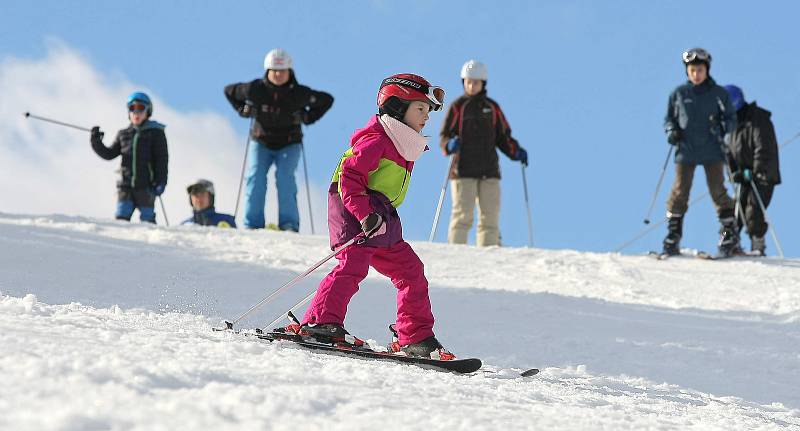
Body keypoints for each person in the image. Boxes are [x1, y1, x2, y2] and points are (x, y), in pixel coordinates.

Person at [285, 73, 454, 360]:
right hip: (354, 209)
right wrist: (364, 215)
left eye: (428, 111)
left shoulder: (403, 143)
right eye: (420, 109)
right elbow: (349, 177)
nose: (427, 117)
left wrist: (375, 215)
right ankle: (322, 323)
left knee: (411, 271)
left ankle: (414, 335)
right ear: (398, 107)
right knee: (353, 265)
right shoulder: (377, 139)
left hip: (381, 216)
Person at [224, 48, 333, 232]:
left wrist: (307, 117)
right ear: (267, 71)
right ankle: (252, 224)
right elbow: (229, 91)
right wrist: (243, 110)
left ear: (289, 71)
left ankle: (289, 225)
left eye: (282, 71)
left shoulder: (299, 93)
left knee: (286, 180)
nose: (278, 74)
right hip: (261, 141)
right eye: (274, 70)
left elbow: (327, 100)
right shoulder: (255, 89)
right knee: (255, 178)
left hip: (289, 144)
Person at [439, 60, 527, 246]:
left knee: (490, 217)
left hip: (489, 170)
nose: (471, 86)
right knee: (463, 215)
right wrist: (449, 145)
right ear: (463, 82)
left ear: (483, 83)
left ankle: (488, 257)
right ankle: (455, 253)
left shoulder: (492, 108)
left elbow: (503, 136)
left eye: (476, 82)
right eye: (468, 81)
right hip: (463, 171)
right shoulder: (458, 107)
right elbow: (444, 136)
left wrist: (516, 151)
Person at [661, 48, 741, 257]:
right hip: (686, 149)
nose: (696, 74)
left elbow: (731, 119)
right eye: (692, 70)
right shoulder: (679, 94)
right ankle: (673, 234)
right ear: (687, 71)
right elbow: (669, 118)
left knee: (717, 189)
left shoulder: (718, 94)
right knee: (680, 190)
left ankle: (728, 233)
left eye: (700, 70)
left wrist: (723, 130)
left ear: (707, 70)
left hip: (711, 148)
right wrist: (672, 131)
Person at [90, 92, 168, 224]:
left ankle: (151, 241)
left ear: (148, 111)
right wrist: (96, 141)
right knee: (121, 218)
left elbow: (162, 159)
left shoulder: (156, 133)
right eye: (132, 108)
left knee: (147, 219)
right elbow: (109, 154)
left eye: (140, 108)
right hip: (126, 186)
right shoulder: (124, 134)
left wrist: (161, 181)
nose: (136, 112)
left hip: (146, 186)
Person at [723, 85, 781, 256]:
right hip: (744, 176)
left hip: (763, 175)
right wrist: (733, 173)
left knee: (753, 209)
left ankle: (758, 245)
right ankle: (725, 244)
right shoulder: (732, 124)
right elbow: (729, 152)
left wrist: (755, 171)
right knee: (734, 210)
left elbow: (764, 147)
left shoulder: (757, 118)